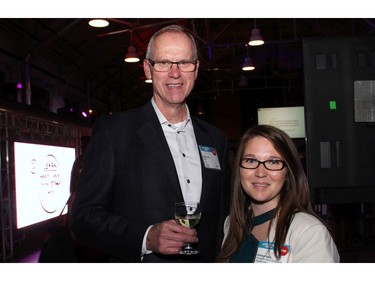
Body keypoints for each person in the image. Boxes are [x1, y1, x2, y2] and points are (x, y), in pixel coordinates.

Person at [70, 24, 230, 262]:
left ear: (196, 69)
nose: (174, 73)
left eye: (184, 63)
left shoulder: (216, 139)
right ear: (148, 69)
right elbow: (83, 217)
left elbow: (223, 217)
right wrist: (146, 237)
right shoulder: (114, 132)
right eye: (163, 63)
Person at [217, 125, 339, 262]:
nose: (260, 173)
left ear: (288, 172)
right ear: (238, 168)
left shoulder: (309, 232)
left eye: (273, 162)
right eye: (251, 160)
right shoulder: (232, 224)